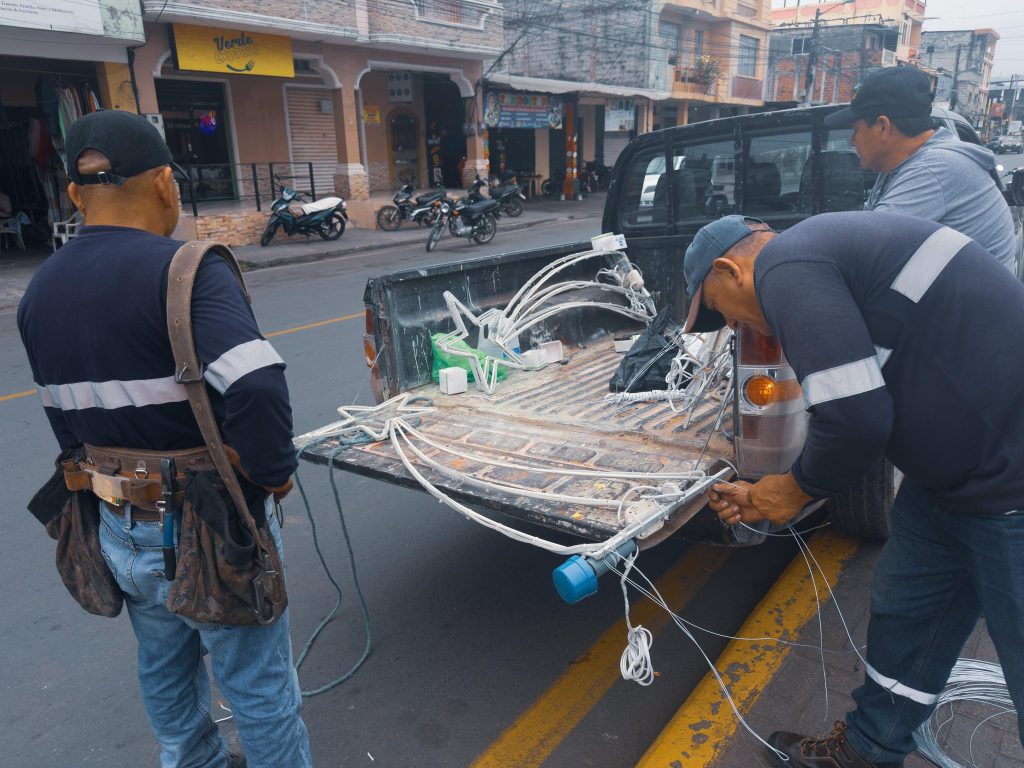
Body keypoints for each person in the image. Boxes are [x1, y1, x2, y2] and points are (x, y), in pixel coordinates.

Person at [17, 110, 312, 768]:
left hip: (116, 527)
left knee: (163, 664)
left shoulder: (38, 292)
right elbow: (257, 386)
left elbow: (63, 423)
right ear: (163, 184)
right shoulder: (185, 270)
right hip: (209, 529)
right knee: (259, 688)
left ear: (75, 195)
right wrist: (270, 476)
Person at [680, 213, 1024, 768]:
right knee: (906, 614)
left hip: (1010, 485)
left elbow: (856, 420)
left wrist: (789, 492)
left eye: (723, 311)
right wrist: (771, 490)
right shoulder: (822, 254)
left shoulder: (784, 266)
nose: (737, 328)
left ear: (730, 269)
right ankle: (869, 749)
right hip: (951, 480)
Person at [824, 66, 1017, 273]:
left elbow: (864, 250)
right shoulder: (897, 167)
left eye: (855, 131)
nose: (851, 141)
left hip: (969, 295)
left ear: (882, 126)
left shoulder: (935, 169)